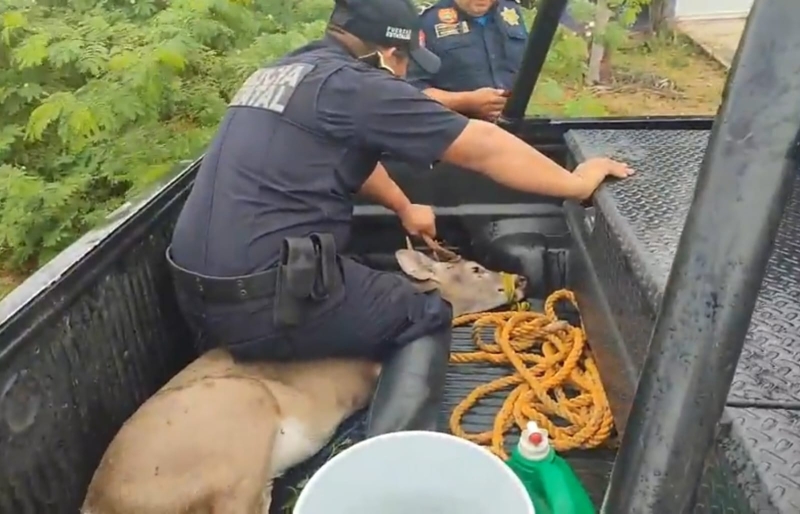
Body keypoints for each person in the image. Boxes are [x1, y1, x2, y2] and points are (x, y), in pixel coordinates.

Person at [166, 0, 632, 437]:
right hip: (265, 301)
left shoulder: (285, 71)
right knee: (426, 313)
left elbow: (349, 154)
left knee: (373, 281)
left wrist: (405, 206)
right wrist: (577, 182)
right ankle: (395, 459)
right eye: (407, 61)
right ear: (389, 52)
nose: (406, 73)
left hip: (196, 296)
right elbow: (483, 146)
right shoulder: (361, 84)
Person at [408, 0, 527, 120]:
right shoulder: (426, 21)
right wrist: (466, 101)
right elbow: (409, 91)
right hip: (453, 129)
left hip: (513, 127)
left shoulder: (509, 11)